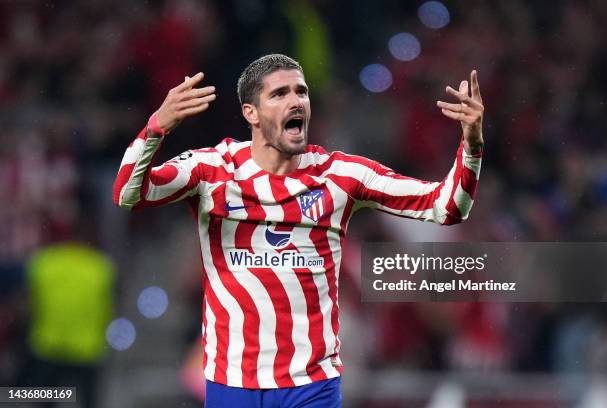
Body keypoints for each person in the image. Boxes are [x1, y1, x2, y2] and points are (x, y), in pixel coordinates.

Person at [113, 54, 484, 407]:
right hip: (231, 382)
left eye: (301, 92)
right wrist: (157, 127)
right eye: (280, 93)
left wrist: (471, 145)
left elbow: (447, 206)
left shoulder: (340, 176)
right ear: (251, 113)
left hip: (310, 386)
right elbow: (129, 193)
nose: (296, 102)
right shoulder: (213, 170)